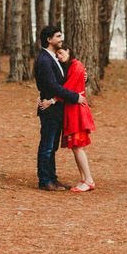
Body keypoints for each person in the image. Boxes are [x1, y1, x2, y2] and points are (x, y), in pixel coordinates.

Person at [33, 25, 87, 191]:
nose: (61, 39)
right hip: (49, 109)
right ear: (49, 40)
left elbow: (67, 81)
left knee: (52, 147)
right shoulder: (44, 60)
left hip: (57, 108)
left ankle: (53, 178)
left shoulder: (55, 58)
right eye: (58, 36)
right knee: (47, 146)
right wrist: (75, 97)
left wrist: (85, 78)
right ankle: (45, 180)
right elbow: (52, 86)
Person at [46, 46, 96, 192]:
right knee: (75, 147)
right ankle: (84, 179)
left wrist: (52, 100)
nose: (59, 56)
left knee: (78, 146)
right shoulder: (69, 67)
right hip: (71, 110)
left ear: (69, 50)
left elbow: (69, 87)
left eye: (61, 53)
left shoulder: (76, 66)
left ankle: (89, 179)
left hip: (77, 111)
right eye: (57, 55)